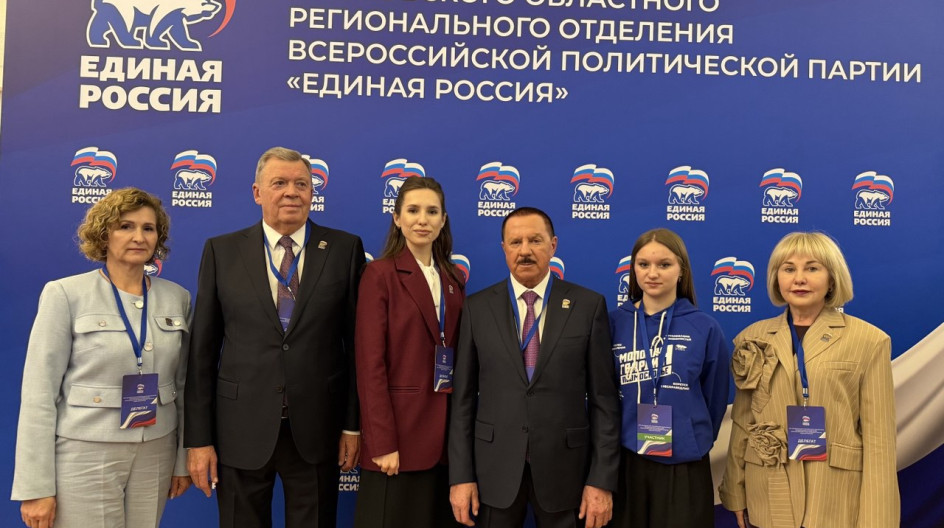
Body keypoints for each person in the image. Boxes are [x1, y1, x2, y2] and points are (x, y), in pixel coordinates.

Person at [184, 147, 365, 527]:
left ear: (312, 192)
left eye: (302, 184)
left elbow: (357, 348)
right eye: (279, 183)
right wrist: (198, 439)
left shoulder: (345, 249)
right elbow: (202, 354)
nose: (291, 192)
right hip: (239, 428)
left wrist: (352, 425)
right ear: (257, 192)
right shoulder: (221, 251)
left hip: (318, 428)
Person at [12, 188, 192, 528]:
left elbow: (184, 386)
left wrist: (182, 459)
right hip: (86, 451)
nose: (139, 237)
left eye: (148, 228)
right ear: (104, 234)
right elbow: (39, 394)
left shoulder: (177, 298)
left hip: (157, 450)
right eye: (125, 226)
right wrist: (35, 487)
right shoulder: (65, 294)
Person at [449, 206, 621, 528]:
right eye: (515, 242)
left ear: (553, 245)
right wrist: (460, 476)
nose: (525, 251)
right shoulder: (477, 308)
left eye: (535, 240)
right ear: (504, 248)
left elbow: (604, 402)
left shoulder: (588, 306)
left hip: (566, 472)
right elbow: (462, 402)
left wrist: (601, 480)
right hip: (494, 472)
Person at [719, 231, 899, 528]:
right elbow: (742, 422)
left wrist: (878, 519)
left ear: (832, 279)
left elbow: (879, 440)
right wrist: (735, 490)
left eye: (812, 268)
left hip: (836, 499)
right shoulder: (751, 339)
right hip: (769, 494)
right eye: (789, 269)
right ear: (776, 278)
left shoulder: (870, 341)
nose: (799, 278)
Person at [353, 177, 465, 528]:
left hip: (443, 446)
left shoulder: (453, 280)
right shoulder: (379, 274)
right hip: (396, 443)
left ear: (443, 220)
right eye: (413, 210)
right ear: (397, 218)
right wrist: (381, 441)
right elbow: (369, 364)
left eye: (432, 212)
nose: (422, 220)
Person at [608, 228, 730, 527]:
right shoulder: (612, 323)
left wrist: (690, 436)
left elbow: (715, 399)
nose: (652, 273)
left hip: (684, 464)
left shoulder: (704, 327)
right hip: (625, 461)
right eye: (643, 264)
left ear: (681, 270)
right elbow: (601, 393)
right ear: (633, 269)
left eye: (664, 264)